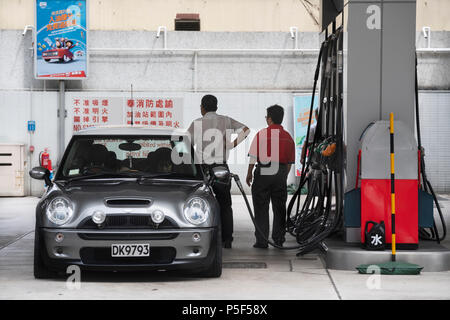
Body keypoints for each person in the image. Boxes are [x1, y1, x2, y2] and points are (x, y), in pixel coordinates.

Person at [187, 94, 250, 249]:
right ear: (217, 106)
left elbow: (185, 144)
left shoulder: (197, 123)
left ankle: (203, 238)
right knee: (225, 203)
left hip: (203, 169)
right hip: (221, 167)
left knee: (199, 204)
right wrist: (232, 144)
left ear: (202, 107)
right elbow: (246, 130)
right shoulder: (226, 120)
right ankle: (227, 240)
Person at [246, 104, 295, 248]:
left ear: (270, 119)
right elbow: (290, 162)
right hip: (280, 172)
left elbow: (253, 157)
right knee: (279, 207)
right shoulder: (288, 137)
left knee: (261, 206)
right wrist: (282, 176)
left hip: (264, 171)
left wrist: (249, 173)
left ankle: (262, 241)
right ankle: (278, 239)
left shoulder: (261, 134)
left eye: (267, 116)